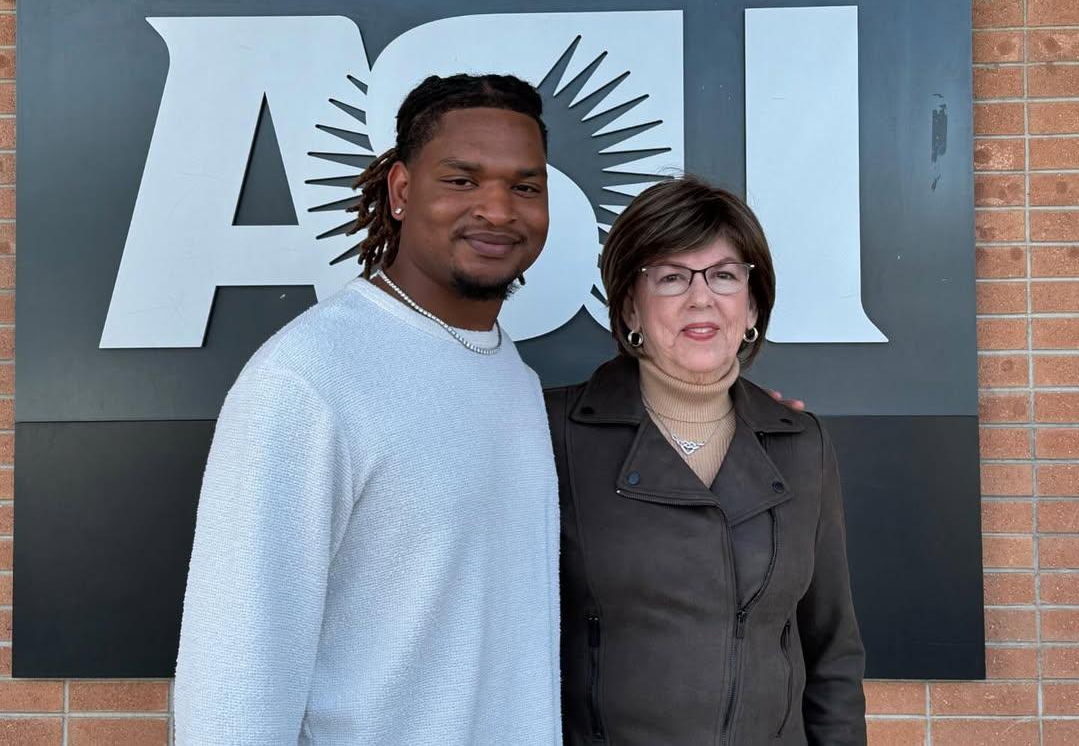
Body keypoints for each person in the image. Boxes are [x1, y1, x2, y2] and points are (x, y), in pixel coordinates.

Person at [174, 74, 562, 746]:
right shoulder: (309, 378)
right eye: (463, 180)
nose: (499, 210)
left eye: (524, 186)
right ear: (403, 191)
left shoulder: (514, 377)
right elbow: (233, 675)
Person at [546, 176, 866, 746]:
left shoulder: (802, 443)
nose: (701, 298)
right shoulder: (554, 433)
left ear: (752, 307)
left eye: (723, 275)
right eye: (671, 277)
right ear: (630, 308)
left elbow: (831, 648)